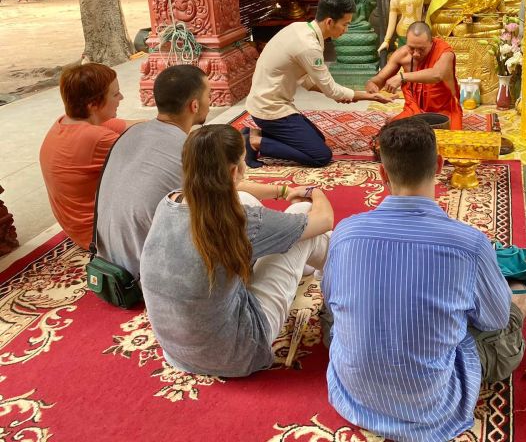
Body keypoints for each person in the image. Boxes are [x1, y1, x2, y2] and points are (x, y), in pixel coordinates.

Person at [323, 118, 526, 441]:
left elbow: (331, 299)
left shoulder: (345, 233)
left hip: (353, 397)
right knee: (516, 303)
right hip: (434, 407)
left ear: (382, 174)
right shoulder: (470, 244)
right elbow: (494, 320)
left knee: (332, 315)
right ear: (439, 165)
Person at [140, 124, 334, 377]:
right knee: (304, 217)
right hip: (240, 353)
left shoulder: (169, 202)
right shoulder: (238, 222)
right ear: (235, 170)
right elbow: (325, 220)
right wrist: (313, 192)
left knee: (254, 207)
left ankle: (305, 265)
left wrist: (283, 191)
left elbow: (234, 190)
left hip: (178, 353)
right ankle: (334, 305)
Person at [245, 0, 390, 168]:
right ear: (330, 22)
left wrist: (344, 95)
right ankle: (255, 142)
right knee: (320, 156)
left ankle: (257, 133)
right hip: (270, 110)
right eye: (345, 24)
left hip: (269, 104)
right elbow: (333, 91)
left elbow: (306, 80)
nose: (346, 29)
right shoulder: (308, 46)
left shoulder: (300, 29)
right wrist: (369, 96)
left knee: (318, 140)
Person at [95, 65, 211, 279]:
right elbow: (224, 193)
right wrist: (281, 190)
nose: (210, 102)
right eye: (209, 95)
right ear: (194, 105)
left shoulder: (133, 133)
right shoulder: (189, 149)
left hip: (107, 264)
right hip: (149, 278)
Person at [39, 63, 140, 248]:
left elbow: (140, 126)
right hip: (100, 237)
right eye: (115, 94)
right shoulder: (96, 138)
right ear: (93, 104)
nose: (122, 98)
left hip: (78, 230)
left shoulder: (65, 122)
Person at [366, 21, 464, 130]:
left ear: (431, 42)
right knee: (388, 138)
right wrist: (372, 84)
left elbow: (437, 75)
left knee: (449, 143)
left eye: (421, 49)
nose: (416, 53)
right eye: (411, 48)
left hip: (444, 112)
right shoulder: (402, 54)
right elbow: (379, 79)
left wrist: (402, 77)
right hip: (413, 111)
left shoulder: (445, 52)